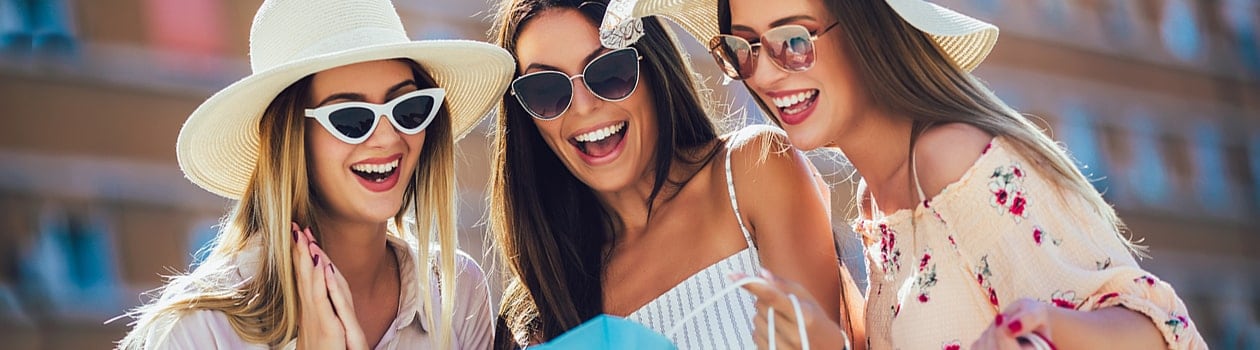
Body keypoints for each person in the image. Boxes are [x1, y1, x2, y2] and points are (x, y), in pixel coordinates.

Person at [615, 0, 1207, 348]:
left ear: (867, 28)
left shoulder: (952, 161)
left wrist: (1048, 325)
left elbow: (1159, 329)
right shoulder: (878, 210)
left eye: (794, 41)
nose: (766, 76)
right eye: (744, 49)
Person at [114, 0, 513, 348]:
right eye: (351, 118)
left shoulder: (458, 293)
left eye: (407, 109)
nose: (389, 137)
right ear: (291, 142)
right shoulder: (197, 335)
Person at [486, 0, 864, 348]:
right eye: (546, 90)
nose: (584, 107)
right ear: (526, 117)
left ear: (651, 65)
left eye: (609, 71)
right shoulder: (540, 314)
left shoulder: (755, 170)